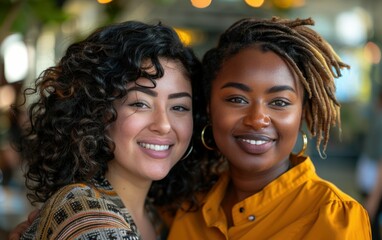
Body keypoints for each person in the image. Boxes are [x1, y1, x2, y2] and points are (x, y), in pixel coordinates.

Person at [167, 17, 372, 239]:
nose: (257, 119)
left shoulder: (333, 218)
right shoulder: (188, 208)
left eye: (279, 102)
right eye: (237, 99)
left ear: (301, 113)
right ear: (209, 107)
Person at [11, 20, 204, 240]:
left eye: (179, 107)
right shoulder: (89, 218)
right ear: (97, 112)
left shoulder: (155, 216)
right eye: (140, 104)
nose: (164, 124)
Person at [357, 89, 382, 239]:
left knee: (371, 228)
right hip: (369, 185)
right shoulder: (377, 119)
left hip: (375, 187)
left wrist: (374, 198)